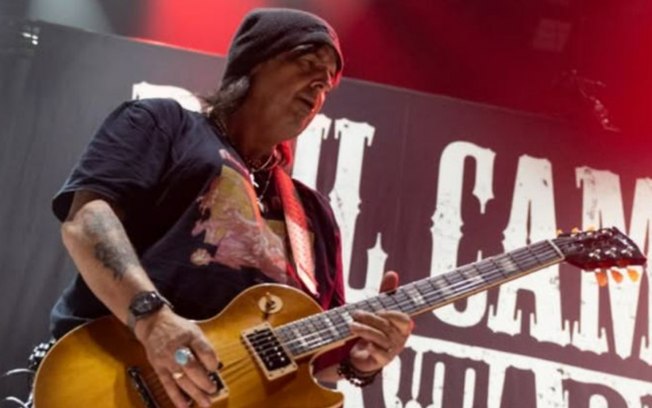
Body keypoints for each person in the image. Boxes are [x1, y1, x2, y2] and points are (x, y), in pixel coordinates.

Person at [50, 8, 413, 408]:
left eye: (328, 82)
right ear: (254, 62)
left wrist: (357, 362)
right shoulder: (165, 124)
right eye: (308, 64)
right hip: (114, 381)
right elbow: (86, 220)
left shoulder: (313, 215)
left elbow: (314, 368)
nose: (320, 85)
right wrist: (153, 320)